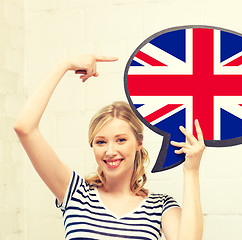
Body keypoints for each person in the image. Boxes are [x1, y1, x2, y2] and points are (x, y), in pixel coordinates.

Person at [14, 54, 205, 240]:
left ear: (139, 143)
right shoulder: (76, 194)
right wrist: (64, 64)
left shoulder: (159, 206)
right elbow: (25, 128)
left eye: (121, 140)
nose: (110, 151)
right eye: (101, 142)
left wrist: (191, 171)